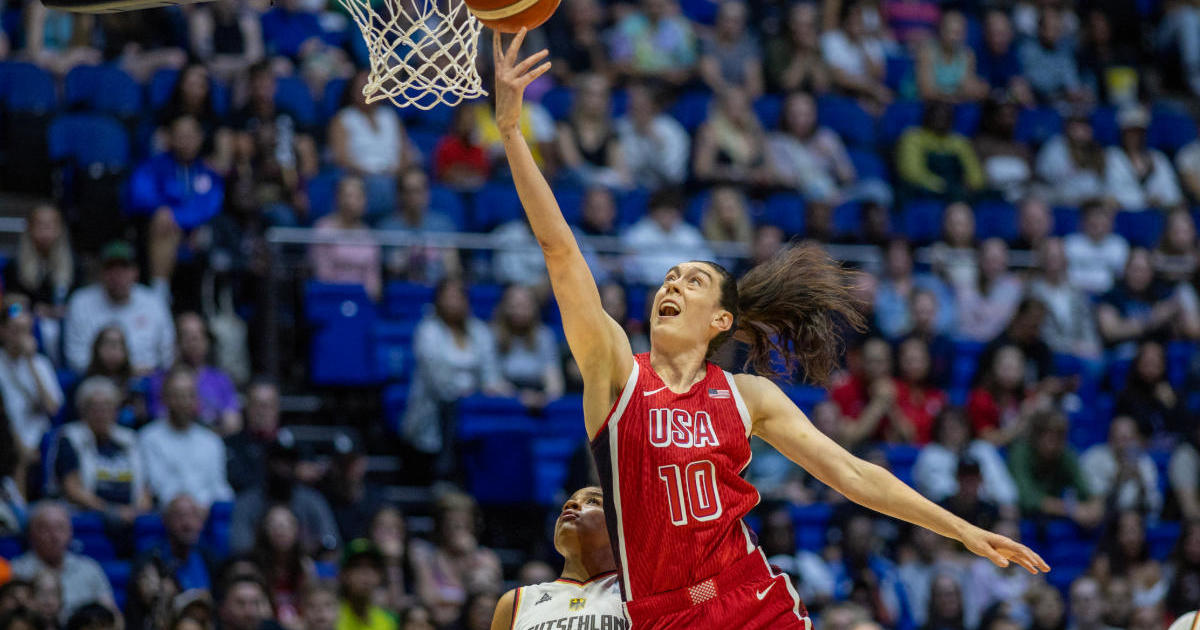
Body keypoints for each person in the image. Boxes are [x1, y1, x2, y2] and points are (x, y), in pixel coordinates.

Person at [494, 30, 1048, 630]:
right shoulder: (618, 372)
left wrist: (962, 530)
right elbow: (561, 254)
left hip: (749, 598)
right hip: (658, 616)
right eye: (668, 279)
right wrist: (511, 134)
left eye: (692, 282)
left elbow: (854, 474)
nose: (671, 287)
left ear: (721, 321)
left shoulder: (746, 395)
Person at [400, 279, 508, 480]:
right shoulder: (427, 331)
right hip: (435, 408)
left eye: (458, 297)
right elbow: (438, 381)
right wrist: (467, 392)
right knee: (453, 409)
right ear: (437, 301)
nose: (453, 302)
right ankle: (445, 471)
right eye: (448, 297)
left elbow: (490, 375)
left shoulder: (480, 332)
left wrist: (506, 392)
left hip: (474, 405)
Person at [490, 487, 625, 630]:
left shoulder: (634, 593)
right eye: (567, 504)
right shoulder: (516, 602)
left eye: (592, 501)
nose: (570, 505)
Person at [49, 376, 151, 523]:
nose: (101, 413)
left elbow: (145, 490)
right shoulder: (70, 437)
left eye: (107, 407)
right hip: (87, 515)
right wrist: (111, 511)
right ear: (82, 410)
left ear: (116, 411)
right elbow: (72, 489)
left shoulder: (130, 439)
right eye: (94, 407)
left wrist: (136, 512)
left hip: (130, 516)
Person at [64, 241, 175, 375]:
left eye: (124, 268)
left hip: (146, 380)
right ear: (101, 272)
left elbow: (168, 354)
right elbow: (75, 358)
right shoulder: (80, 302)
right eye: (111, 268)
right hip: (96, 379)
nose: (117, 275)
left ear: (135, 272)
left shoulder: (153, 302)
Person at [229, 434, 341, 557]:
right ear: (266, 462)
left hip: (304, 568)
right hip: (261, 569)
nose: (283, 468)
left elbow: (331, 543)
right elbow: (241, 548)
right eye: (278, 461)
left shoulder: (312, 500)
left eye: (289, 462)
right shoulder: (247, 503)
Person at [138, 367, 235, 508]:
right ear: (164, 398)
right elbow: (157, 486)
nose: (183, 401)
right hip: (165, 513)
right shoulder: (148, 438)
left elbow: (219, 487)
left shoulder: (211, 441)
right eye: (176, 395)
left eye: (189, 395)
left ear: (196, 400)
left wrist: (202, 505)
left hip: (205, 513)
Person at [10, 502, 114, 622]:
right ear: (31, 534)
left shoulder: (90, 568)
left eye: (60, 528)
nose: (54, 536)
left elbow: (112, 617)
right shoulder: (16, 571)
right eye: (46, 529)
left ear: (71, 533)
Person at [410, 493, 501, 627]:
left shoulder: (487, 558)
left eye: (464, 524)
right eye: (452, 523)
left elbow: (488, 605)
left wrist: (470, 556)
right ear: (441, 525)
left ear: (474, 525)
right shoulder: (427, 557)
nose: (458, 528)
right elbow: (428, 601)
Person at [1, 205, 76, 362]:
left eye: (50, 226)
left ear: (59, 229)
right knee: (44, 329)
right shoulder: (14, 266)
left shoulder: (75, 265)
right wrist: (30, 309)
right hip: (33, 323)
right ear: (29, 229)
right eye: (40, 225)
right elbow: (11, 310)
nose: (45, 231)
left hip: (64, 320)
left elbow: (81, 302)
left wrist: (65, 309)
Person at [148, 313, 242, 435]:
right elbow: (160, 421)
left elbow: (233, 424)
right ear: (176, 341)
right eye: (187, 335)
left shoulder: (221, 380)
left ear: (207, 341)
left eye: (199, 336)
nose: (194, 342)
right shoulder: (160, 380)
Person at [1007, 410, 1103, 528]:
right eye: (1049, 437)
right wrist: (1070, 510)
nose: (1054, 444)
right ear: (1036, 436)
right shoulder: (1020, 453)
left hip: (1053, 517)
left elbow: (1085, 488)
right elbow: (1027, 499)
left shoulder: (1065, 454)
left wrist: (1095, 506)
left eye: (1060, 437)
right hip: (1021, 517)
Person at [913, 408, 1017, 512]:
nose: (952, 432)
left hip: (984, 511)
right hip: (944, 513)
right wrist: (979, 493)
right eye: (947, 427)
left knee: (1008, 512)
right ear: (939, 429)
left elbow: (1005, 490)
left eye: (957, 426)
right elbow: (939, 491)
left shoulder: (983, 449)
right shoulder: (930, 454)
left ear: (967, 428)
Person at [0, 301, 63, 453]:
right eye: (15, 330)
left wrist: (30, 362)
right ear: (2, 331)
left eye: (25, 331)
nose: (21, 337)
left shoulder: (40, 363)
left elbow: (52, 409)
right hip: (6, 436)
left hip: (39, 438)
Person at [492, 285, 564, 410]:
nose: (519, 310)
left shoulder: (545, 336)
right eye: (514, 305)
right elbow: (491, 380)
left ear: (534, 308)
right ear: (504, 308)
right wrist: (519, 397)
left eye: (524, 305)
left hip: (539, 398)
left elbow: (553, 379)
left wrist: (545, 397)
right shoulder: (493, 336)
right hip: (503, 401)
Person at [620, 189, 713, 287]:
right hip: (649, 286)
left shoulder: (690, 235)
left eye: (672, 211)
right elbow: (629, 267)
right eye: (664, 211)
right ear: (654, 212)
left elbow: (706, 262)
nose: (668, 216)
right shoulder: (638, 234)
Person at [310, 176, 381, 302]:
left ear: (365, 201)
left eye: (357, 197)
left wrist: (364, 299)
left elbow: (373, 283)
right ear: (337, 199)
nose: (350, 202)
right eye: (347, 196)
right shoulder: (322, 230)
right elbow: (323, 275)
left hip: (362, 302)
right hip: (330, 300)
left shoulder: (370, 236)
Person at [896, 101, 984, 202]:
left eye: (945, 116)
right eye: (936, 115)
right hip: (922, 193)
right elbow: (912, 173)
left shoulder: (959, 142)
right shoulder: (913, 137)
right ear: (927, 116)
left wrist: (970, 186)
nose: (940, 119)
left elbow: (976, 175)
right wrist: (942, 186)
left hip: (955, 193)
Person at [1028, 238, 1102, 358]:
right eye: (1050, 258)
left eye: (1057, 257)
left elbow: (1086, 322)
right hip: (1049, 351)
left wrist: (1091, 344)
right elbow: (1040, 333)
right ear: (1042, 260)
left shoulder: (1075, 290)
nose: (1053, 263)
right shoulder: (1033, 292)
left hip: (1080, 349)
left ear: (1065, 260)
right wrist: (1071, 347)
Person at [555, 73, 629, 189]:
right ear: (580, 96)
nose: (596, 100)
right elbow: (573, 164)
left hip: (603, 192)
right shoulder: (564, 126)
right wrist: (603, 178)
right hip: (572, 189)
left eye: (601, 95)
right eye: (591, 94)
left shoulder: (611, 130)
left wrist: (613, 179)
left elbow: (620, 169)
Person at [1079, 416, 1162, 517]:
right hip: (1103, 519)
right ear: (1110, 439)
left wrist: (1141, 483)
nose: (1124, 445)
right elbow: (1092, 504)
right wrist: (1116, 482)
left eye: (1129, 439)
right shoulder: (1094, 458)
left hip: (1134, 518)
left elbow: (1155, 505)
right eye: (1120, 439)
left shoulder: (1144, 462)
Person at [1106, 106, 1184, 211]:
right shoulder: (1111, 156)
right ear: (1122, 132)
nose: (1134, 136)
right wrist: (1143, 201)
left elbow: (1174, 195)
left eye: (1139, 132)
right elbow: (1108, 194)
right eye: (1130, 131)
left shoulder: (1158, 158)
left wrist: (1161, 201)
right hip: (1122, 216)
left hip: (1157, 216)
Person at [615, 82, 690, 191]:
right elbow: (618, 169)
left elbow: (674, 175)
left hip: (664, 191)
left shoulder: (673, 131)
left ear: (653, 106)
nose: (637, 111)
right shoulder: (620, 128)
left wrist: (656, 143)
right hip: (627, 189)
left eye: (642, 106)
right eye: (633, 106)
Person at [254, 504, 315, 628]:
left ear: (296, 529)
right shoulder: (256, 567)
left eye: (287, 524)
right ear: (264, 531)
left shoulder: (306, 566)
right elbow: (259, 610)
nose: (281, 529)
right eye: (274, 524)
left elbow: (310, 603)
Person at [1036, 110, 1108, 207]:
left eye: (1084, 125)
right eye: (1076, 125)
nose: (1080, 129)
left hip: (1092, 203)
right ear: (1068, 127)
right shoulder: (1055, 147)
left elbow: (1102, 183)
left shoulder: (1097, 151)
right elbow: (1047, 177)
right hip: (1061, 202)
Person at [917, 11, 987, 104]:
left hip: (954, 105)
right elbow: (927, 91)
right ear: (941, 31)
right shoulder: (927, 52)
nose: (955, 38)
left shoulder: (968, 54)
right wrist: (956, 95)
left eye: (959, 33)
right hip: (928, 106)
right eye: (951, 32)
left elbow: (969, 88)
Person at [698, 1, 764, 98]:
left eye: (736, 21)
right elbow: (711, 78)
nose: (730, 25)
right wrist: (733, 96)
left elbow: (755, 84)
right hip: (714, 96)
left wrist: (740, 98)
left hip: (743, 99)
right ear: (719, 20)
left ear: (743, 23)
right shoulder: (708, 42)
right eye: (727, 20)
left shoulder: (750, 44)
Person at [224, 379, 280, 494]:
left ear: (277, 408)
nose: (262, 412)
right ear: (247, 407)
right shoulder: (229, 445)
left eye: (268, 405)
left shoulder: (292, 445)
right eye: (257, 405)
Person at [1064, 200, 1129, 295]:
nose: (1097, 222)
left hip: (1109, 297)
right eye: (1093, 218)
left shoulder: (1119, 246)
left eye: (1102, 218)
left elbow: (1123, 278)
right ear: (1083, 221)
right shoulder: (1070, 244)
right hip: (1073, 294)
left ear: (1110, 223)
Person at [336, 540, 395, 630]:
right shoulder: (330, 617)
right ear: (344, 574)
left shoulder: (387, 621)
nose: (365, 573)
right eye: (357, 566)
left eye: (372, 566)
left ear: (380, 576)